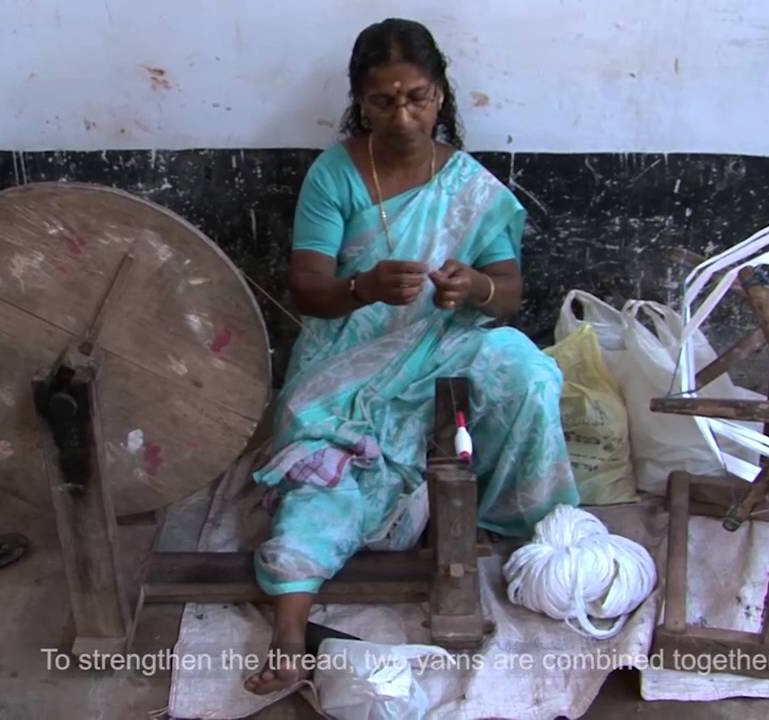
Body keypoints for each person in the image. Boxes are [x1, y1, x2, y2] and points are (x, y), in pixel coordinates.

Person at [243, 18, 580, 694]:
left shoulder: (470, 186)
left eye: (418, 98)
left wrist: (475, 287)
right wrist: (360, 286)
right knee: (331, 467)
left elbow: (507, 295)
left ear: (442, 96)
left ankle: (526, 528)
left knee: (526, 368)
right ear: (360, 103)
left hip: (445, 336)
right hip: (352, 349)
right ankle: (288, 629)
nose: (404, 116)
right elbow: (307, 288)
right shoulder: (335, 173)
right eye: (384, 101)